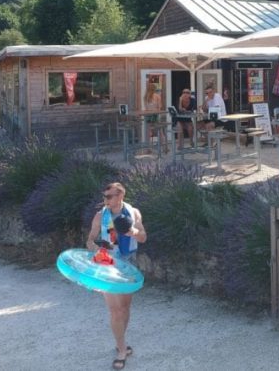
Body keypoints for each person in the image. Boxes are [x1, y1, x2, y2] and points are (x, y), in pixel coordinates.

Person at [87, 182, 147, 370]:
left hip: (128, 263)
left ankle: (120, 340)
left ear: (120, 196)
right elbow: (90, 239)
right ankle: (121, 349)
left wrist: (132, 231)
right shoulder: (100, 216)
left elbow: (143, 237)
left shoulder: (134, 213)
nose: (105, 200)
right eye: (104, 196)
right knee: (115, 311)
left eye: (109, 197)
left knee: (125, 307)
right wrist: (94, 246)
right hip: (107, 262)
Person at [143, 79, 167, 147]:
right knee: (160, 130)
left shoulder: (145, 97)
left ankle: (148, 147)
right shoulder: (157, 96)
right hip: (155, 115)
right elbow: (159, 106)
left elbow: (146, 108)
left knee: (148, 131)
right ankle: (163, 145)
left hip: (148, 115)